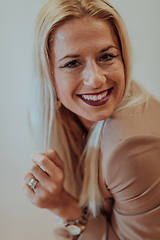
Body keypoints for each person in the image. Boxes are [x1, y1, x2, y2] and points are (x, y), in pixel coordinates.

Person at [23, 0, 160, 239]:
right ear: (49, 74)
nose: (95, 79)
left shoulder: (129, 148)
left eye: (106, 56)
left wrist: (62, 206)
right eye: (73, 63)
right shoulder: (51, 116)